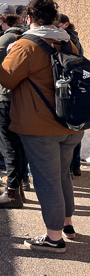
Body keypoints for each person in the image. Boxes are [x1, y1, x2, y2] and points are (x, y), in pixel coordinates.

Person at [0, 0, 83, 253]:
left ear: (29, 18)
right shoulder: (69, 43)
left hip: (40, 126)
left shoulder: (26, 45)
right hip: (70, 123)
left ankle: (54, 238)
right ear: (55, 19)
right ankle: (67, 224)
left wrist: (7, 51)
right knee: (61, 176)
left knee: (47, 180)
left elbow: (6, 79)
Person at [0, 3, 28, 209]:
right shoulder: (25, 34)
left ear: (2, 18)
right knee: (18, 146)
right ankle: (17, 188)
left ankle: (12, 194)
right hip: (19, 97)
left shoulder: (8, 36)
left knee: (8, 147)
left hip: (3, 96)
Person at [58, 13, 84, 176]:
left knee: (70, 129)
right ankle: (75, 166)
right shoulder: (73, 38)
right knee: (74, 130)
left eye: (58, 24)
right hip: (75, 83)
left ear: (66, 24)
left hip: (69, 84)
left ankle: (71, 166)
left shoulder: (67, 39)